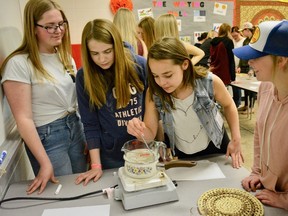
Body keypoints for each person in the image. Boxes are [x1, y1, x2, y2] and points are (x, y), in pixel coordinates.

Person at [0, 0, 87, 194]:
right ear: (33, 28)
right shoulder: (19, 63)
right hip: (49, 137)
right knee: (61, 193)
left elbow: (75, 101)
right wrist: (44, 163)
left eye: (61, 24)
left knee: (81, 188)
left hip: (75, 127)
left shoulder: (64, 57)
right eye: (49, 26)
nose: (58, 30)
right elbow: (23, 119)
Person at [127, 37, 243, 169]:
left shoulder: (208, 81)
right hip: (183, 153)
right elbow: (149, 135)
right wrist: (139, 130)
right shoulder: (154, 93)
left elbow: (229, 105)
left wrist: (236, 138)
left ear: (185, 64)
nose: (161, 82)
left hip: (216, 146)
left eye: (168, 75)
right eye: (155, 76)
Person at [74, 19, 147, 185]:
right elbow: (90, 124)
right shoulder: (83, 77)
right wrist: (95, 165)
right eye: (95, 53)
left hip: (144, 148)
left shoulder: (139, 65)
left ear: (117, 46)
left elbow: (154, 109)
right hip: (111, 155)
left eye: (108, 51)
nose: (102, 59)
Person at [233, 20, 288, 210]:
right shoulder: (266, 87)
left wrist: (285, 201)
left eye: (256, 56)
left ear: (281, 60)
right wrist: (257, 172)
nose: (249, 62)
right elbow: (259, 133)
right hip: (266, 193)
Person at [237, 22, 257, 112]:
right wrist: (239, 65)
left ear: (247, 30)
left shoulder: (254, 40)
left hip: (251, 67)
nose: (242, 33)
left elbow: (254, 55)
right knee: (245, 87)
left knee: (252, 88)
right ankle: (245, 105)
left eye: (243, 31)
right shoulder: (245, 41)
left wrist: (252, 69)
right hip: (244, 65)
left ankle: (251, 107)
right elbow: (243, 54)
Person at [231, 26, 246, 108]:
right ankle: (237, 102)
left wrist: (239, 66)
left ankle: (242, 102)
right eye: (233, 36)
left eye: (235, 35)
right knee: (235, 84)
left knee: (241, 84)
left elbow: (243, 54)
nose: (234, 37)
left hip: (241, 65)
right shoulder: (232, 41)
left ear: (239, 33)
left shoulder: (243, 41)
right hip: (234, 65)